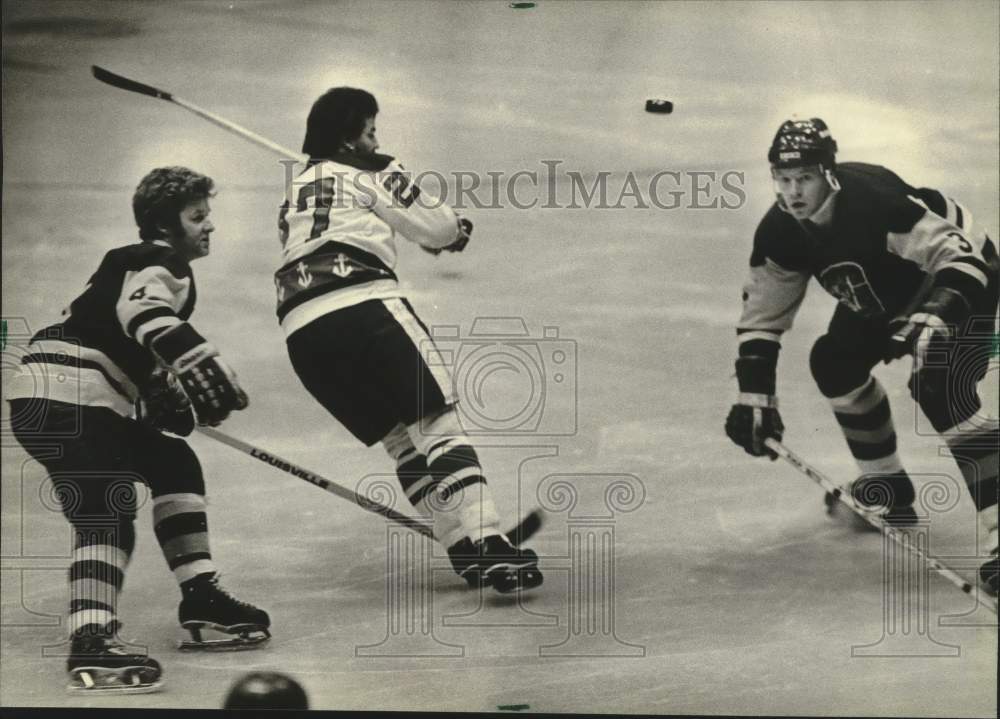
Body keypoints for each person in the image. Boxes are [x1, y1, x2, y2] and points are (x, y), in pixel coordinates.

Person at [6, 167, 270, 693]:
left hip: (64, 393)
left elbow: (126, 356)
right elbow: (142, 311)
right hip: (70, 395)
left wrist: (163, 399)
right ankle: (91, 639)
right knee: (106, 508)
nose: (208, 227)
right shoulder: (163, 261)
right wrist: (196, 359)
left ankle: (200, 593)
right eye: (197, 217)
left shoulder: (130, 265)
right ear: (165, 228)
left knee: (173, 460)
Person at [274, 87, 542, 594]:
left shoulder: (293, 195)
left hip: (302, 330)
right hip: (363, 307)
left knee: (401, 442)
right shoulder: (373, 168)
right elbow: (437, 228)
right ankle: (488, 539)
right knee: (436, 421)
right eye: (370, 131)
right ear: (350, 141)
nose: (377, 140)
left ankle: (460, 545)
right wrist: (455, 229)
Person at [725, 118, 999, 596]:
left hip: (959, 282)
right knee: (834, 362)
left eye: (804, 178)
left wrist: (936, 314)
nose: (793, 193)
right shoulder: (781, 232)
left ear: (829, 174)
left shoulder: (875, 203)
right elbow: (762, 318)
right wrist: (755, 396)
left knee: (941, 389)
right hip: (884, 293)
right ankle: (887, 488)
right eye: (783, 180)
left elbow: (963, 262)